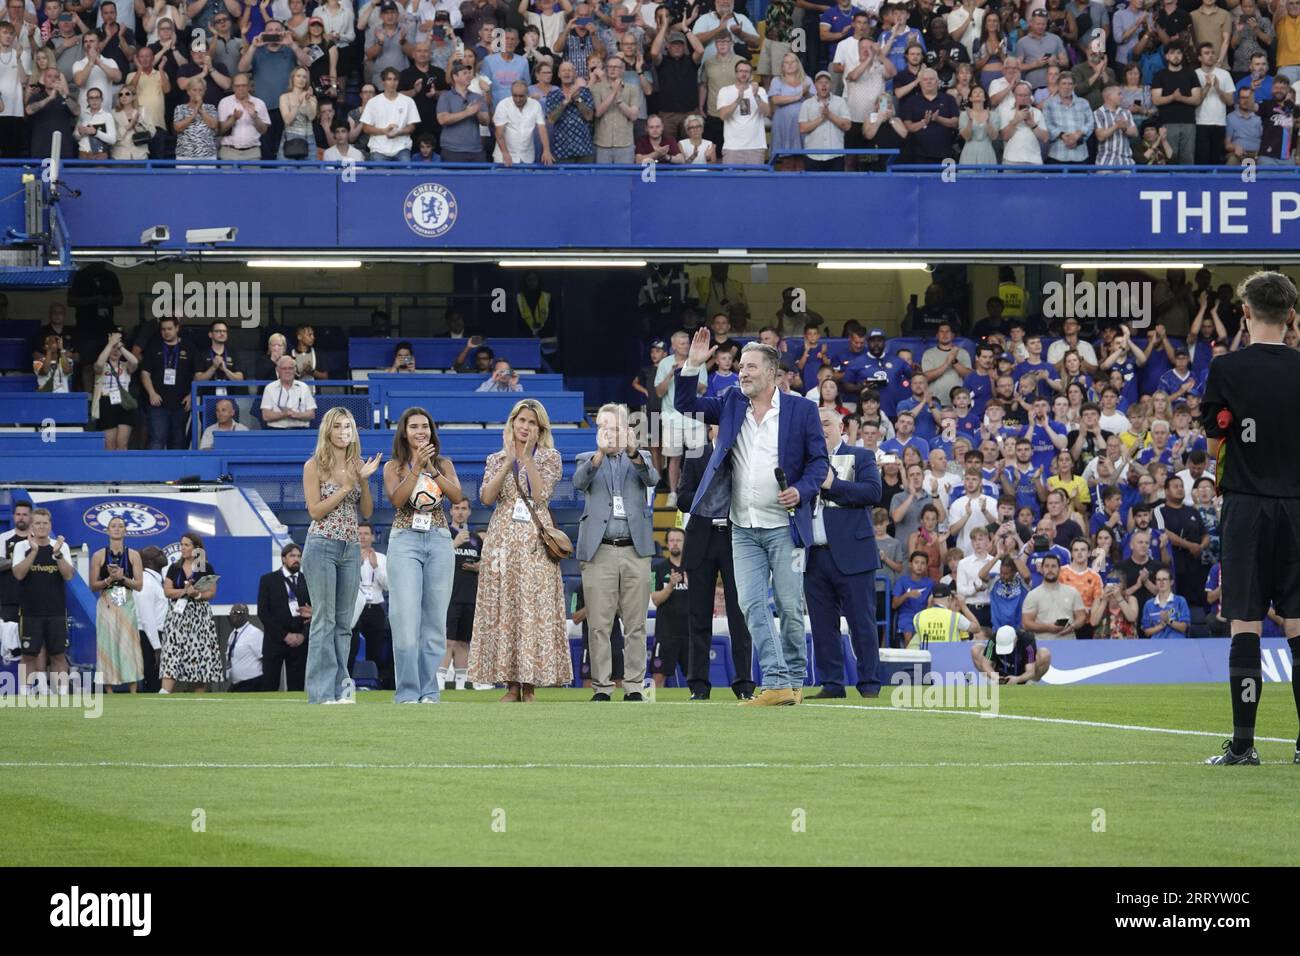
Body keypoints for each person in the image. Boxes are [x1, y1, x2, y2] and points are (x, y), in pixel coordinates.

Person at [674, 331, 830, 706]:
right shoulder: (730, 402)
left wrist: (802, 490)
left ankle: (793, 679)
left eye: (750, 367)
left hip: (784, 525)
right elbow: (684, 403)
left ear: (773, 373)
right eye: (741, 367)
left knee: (791, 608)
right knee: (751, 605)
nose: (742, 373)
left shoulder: (802, 411)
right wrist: (692, 364)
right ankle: (777, 682)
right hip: (742, 527)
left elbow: (819, 462)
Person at [1200, 272, 1300, 765]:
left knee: (1245, 621)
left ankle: (1243, 745)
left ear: (1244, 314)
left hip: (1245, 503)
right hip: (1299, 505)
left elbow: (1215, 445)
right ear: (1292, 318)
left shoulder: (1226, 370)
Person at [468, 398, 572, 700]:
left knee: (532, 611)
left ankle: (530, 685)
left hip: (536, 544)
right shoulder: (495, 458)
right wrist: (508, 462)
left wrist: (527, 460)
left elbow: (541, 497)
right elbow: (486, 498)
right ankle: (511, 684)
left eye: (532, 423)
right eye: (521, 421)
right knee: (506, 609)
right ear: (512, 423)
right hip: (501, 542)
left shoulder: (551, 458)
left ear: (540, 429)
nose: (525, 427)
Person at [573, 403, 659, 702]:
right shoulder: (587, 458)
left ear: (626, 430)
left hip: (635, 550)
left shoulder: (640, 458)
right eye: (601, 427)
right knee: (599, 623)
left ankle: (634, 686)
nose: (606, 433)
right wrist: (598, 455)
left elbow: (653, 480)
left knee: (635, 623)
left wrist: (633, 451)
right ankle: (602, 687)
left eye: (612, 428)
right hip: (600, 552)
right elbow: (578, 482)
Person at [383, 405, 464, 703]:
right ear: (404, 432)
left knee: (433, 624)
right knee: (405, 622)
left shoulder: (444, 463)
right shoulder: (393, 466)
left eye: (425, 426)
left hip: (440, 539)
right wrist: (416, 468)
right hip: (405, 540)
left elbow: (456, 497)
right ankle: (406, 692)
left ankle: (429, 691)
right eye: (414, 426)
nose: (420, 431)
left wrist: (432, 471)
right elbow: (397, 500)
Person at [302, 407, 381, 705]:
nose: (344, 431)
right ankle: (321, 694)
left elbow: (368, 512)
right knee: (324, 620)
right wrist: (346, 486)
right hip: (321, 543)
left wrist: (362, 481)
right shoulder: (314, 466)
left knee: (344, 623)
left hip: (350, 547)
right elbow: (315, 510)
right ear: (328, 431)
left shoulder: (357, 464)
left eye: (348, 426)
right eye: (338, 427)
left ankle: (342, 690)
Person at [806, 406, 883, 698]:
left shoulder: (862, 456)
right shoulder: (803, 459)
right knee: (823, 626)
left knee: (861, 623)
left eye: (827, 423)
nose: (821, 428)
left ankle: (869, 684)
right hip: (813, 555)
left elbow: (872, 493)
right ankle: (832, 684)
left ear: (842, 426)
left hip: (854, 553)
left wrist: (833, 485)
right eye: (817, 424)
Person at [677, 426, 755, 700]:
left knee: (740, 615)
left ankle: (745, 685)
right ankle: (698, 685)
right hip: (702, 539)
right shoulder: (697, 454)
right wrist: (705, 493)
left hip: (737, 538)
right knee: (698, 616)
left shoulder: (743, 453)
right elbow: (682, 498)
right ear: (710, 427)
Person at [10, 509, 74, 695]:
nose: (41, 526)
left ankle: (61, 693)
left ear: (50, 525)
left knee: (58, 654)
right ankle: (25, 693)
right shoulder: (22, 547)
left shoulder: (61, 546)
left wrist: (58, 554)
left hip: (55, 610)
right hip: (30, 611)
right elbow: (19, 574)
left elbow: (69, 575)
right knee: (28, 655)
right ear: (32, 525)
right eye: (37, 523)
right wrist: (34, 551)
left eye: (45, 523)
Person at [159, 532, 221, 693]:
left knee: (199, 654)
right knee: (172, 651)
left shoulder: (206, 568)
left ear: (196, 548)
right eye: (182, 545)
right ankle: (165, 692)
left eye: (187, 545)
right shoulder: (175, 567)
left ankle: (198, 698)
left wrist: (197, 595)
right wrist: (184, 591)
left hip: (199, 616)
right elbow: (167, 591)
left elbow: (212, 593)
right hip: (177, 616)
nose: (183, 548)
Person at [90, 516, 144, 692]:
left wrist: (122, 578)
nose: (117, 529)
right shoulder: (99, 555)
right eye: (113, 526)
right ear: (107, 530)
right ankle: (109, 689)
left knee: (130, 644)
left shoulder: (134, 555)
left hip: (126, 603)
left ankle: (133, 689)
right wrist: (109, 579)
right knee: (107, 645)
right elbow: (93, 585)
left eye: (120, 526)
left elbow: (139, 585)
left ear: (125, 531)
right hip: (107, 602)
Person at [257, 542, 312, 691]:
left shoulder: (308, 581)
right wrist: (284, 635)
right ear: (283, 558)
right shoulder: (268, 580)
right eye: (292, 556)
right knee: (269, 685)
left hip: (300, 642)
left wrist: (302, 636)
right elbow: (263, 612)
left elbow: (313, 611)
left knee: (297, 686)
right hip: (275, 640)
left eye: (299, 556)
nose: (296, 559)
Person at [441, 498, 481, 691]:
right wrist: (454, 543)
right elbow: (438, 559)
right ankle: (440, 682)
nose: (460, 512)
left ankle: (460, 684)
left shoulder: (475, 538)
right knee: (447, 641)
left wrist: (477, 567)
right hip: (449, 595)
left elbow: (486, 563)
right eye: (456, 508)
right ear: (450, 512)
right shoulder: (444, 534)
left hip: (469, 596)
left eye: (464, 509)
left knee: (464, 642)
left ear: (469, 512)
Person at [139, 315, 194, 450]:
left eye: (169, 329)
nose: (166, 332)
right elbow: (145, 373)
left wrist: (191, 395)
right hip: (158, 403)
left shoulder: (189, 347)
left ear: (177, 328)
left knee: (178, 441)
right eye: (163, 329)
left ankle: (177, 471)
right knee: (157, 439)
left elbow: (197, 374)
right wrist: (151, 393)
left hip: (181, 403)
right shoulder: (153, 346)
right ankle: (153, 471)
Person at [350, 521, 393, 689]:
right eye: (359, 533)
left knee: (376, 648)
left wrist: (376, 568)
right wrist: (357, 564)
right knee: (351, 646)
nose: (362, 536)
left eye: (366, 533)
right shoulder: (349, 557)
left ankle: (377, 683)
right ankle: (349, 680)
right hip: (355, 608)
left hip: (375, 607)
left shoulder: (382, 558)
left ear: (373, 537)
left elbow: (388, 585)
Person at [649, 528, 689, 688]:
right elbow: (655, 599)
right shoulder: (656, 569)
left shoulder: (694, 567)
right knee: (658, 676)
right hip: (666, 633)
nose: (675, 543)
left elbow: (705, 598)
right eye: (672, 540)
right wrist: (670, 586)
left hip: (690, 632)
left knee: (696, 676)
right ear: (667, 544)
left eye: (678, 540)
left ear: (685, 543)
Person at [1021, 553, 1087, 639]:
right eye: (1047, 566)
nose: (1050, 569)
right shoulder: (1033, 595)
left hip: (1069, 644)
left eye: (1053, 566)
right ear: (1041, 569)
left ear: (1060, 569)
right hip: (1042, 646)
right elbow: (1026, 623)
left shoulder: (1072, 592)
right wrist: (1049, 627)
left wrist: (1072, 627)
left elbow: (1081, 617)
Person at [92, 330, 139, 451]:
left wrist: (120, 346)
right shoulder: (102, 365)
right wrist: (110, 344)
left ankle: (122, 469)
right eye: (112, 348)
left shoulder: (125, 365)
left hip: (124, 404)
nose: (115, 351)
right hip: (106, 402)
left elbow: (135, 361)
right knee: (109, 445)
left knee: (122, 444)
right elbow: (98, 364)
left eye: (117, 349)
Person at [909, 581, 981, 647]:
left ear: (932, 598)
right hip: (949, 658)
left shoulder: (918, 617)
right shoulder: (955, 617)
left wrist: (929, 605)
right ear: (949, 598)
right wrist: (964, 606)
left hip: (928, 658)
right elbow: (977, 628)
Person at [135, 545, 167, 692]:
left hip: (156, 636)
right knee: (153, 680)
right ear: (148, 562)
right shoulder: (147, 582)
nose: (163, 553)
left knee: (157, 680)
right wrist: (157, 647)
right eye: (158, 553)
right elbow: (146, 618)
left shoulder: (156, 580)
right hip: (150, 637)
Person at [972, 624, 1052, 683]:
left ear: (1015, 639)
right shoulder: (994, 639)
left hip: (1022, 671)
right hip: (999, 670)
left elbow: (1030, 670)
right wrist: (997, 678)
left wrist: (1018, 679)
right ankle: (994, 682)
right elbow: (985, 663)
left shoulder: (1027, 640)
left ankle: (1030, 683)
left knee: (1044, 654)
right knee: (976, 649)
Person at [261, 354, 317, 428]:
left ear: (294, 370)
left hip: (300, 431)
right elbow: (266, 416)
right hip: (276, 431)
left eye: (290, 368)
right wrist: (284, 414)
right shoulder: (269, 388)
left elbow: (311, 414)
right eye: (284, 368)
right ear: (278, 370)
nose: (287, 371)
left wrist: (296, 415)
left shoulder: (304, 387)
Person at [1141, 567, 1190, 639]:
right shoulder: (1148, 604)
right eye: (1158, 580)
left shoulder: (1180, 601)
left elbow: (1184, 627)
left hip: (1177, 643)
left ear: (1171, 582)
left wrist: (1168, 621)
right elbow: (1147, 631)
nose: (1161, 582)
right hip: (1156, 644)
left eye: (1164, 579)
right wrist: (1161, 626)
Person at [225, 603, 264, 691]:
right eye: (233, 612)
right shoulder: (233, 634)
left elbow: (265, 658)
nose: (236, 615)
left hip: (253, 683)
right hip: (236, 684)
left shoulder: (255, 633)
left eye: (240, 612)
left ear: (247, 615)